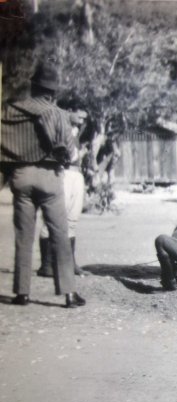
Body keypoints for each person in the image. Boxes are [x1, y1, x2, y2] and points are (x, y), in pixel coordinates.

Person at [0, 62, 86, 307]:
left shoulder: (10, 110)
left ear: (32, 86)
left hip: (21, 177)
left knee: (23, 237)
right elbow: (70, 154)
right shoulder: (57, 113)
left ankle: (22, 293)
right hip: (49, 178)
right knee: (59, 234)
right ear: (53, 92)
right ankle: (69, 294)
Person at [37, 118, 89, 277]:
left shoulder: (77, 132)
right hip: (63, 172)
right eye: (78, 113)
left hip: (76, 173)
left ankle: (70, 263)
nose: (82, 117)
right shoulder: (58, 129)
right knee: (54, 218)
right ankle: (46, 265)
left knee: (72, 219)